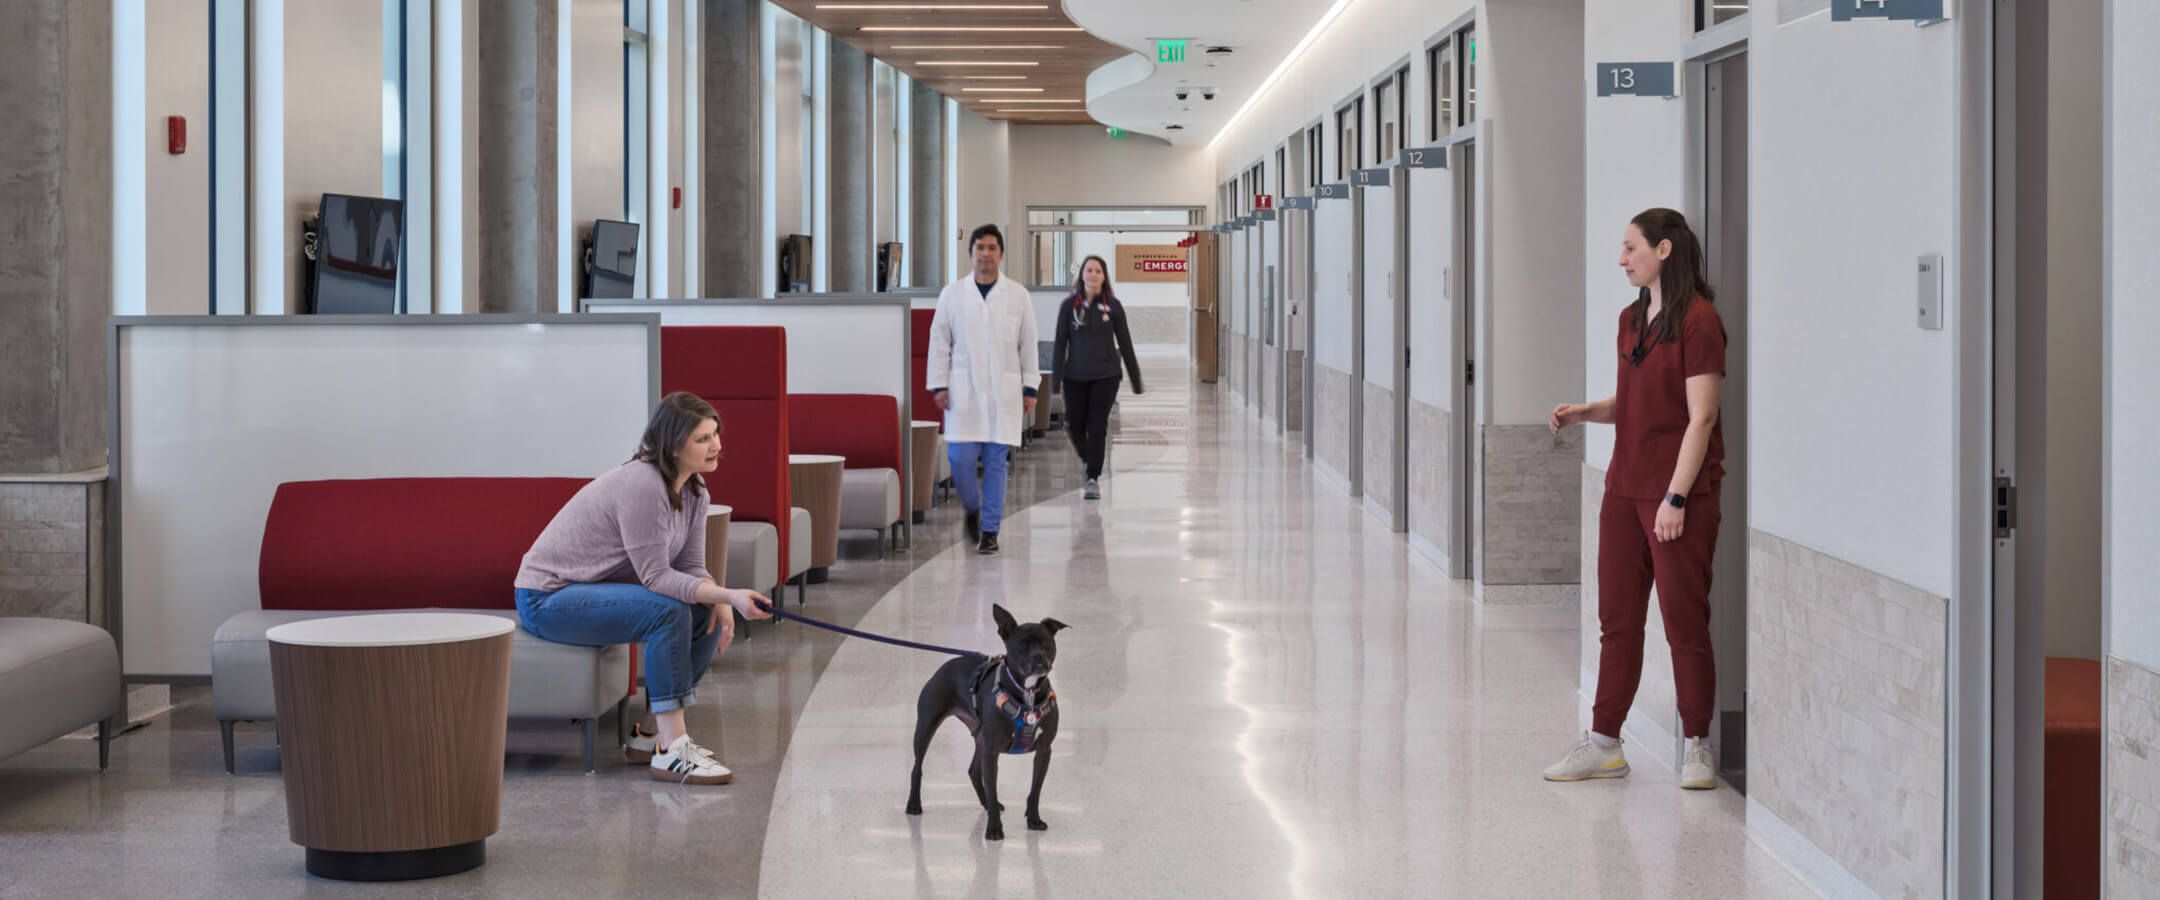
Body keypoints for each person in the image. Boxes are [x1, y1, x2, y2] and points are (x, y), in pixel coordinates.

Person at [1544, 208, 1728, 791]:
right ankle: (1604, 744)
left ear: (1664, 250)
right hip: (1624, 490)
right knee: (1618, 621)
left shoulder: (1700, 322)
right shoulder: (1630, 319)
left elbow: (1701, 418)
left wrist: (1675, 497)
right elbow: (1635, 402)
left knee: (1683, 620)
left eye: (1630, 248)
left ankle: (1697, 744)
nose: (1622, 259)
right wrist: (1586, 412)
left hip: (1678, 495)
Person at [514, 392, 773, 785]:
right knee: (666, 610)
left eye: (716, 434)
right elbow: (656, 578)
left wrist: (719, 599)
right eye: (703, 438)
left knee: (702, 611)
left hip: (589, 592)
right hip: (548, 598)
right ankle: (673, 749)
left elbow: (689, 568)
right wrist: (730, 595)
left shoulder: (694, 489)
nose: (717, 445)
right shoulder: (643, 484)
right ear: (672, 446)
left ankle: (651, 737)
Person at [926, 224, 1041, 556]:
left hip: (1003, 393)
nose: (986, 254)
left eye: (992, 248)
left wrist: (1030, 386)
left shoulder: (1017, 295)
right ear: (971, 252)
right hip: (963, 392)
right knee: (959, 459)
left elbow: (1027, 344)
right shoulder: (952, 294)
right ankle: (972, 507)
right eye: (980, 248)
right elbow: (939, 341)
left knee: (996, 463)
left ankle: (990, 529)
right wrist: (939, 384)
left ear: (1001, 254)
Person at [1051, 255, 1144, 500]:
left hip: (1106, 375)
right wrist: (1055, 379)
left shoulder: (1113, 307)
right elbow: (1061, 343)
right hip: (1075, 376)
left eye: (1098, 271)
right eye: (1089, 270)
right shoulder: (1069, 306)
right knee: (1074, 425)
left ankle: (1092, 477)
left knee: (1097, 425)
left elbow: (1125, 343)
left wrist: (1135, 378)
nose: (1093, 274)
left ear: (1104, 277)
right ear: (1082, 274)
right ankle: (1089, 457)